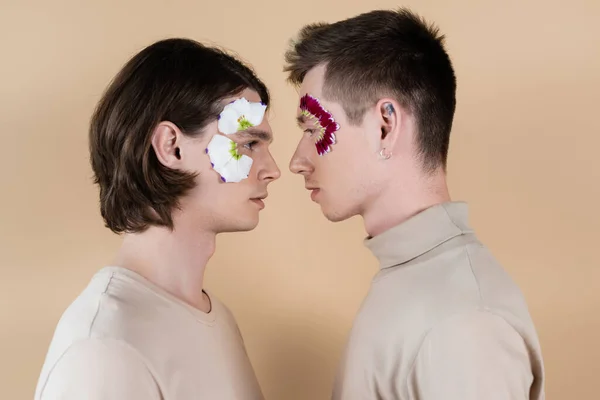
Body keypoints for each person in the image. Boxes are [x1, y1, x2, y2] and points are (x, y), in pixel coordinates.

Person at [285, 8, 545, 400]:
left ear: (385, 125)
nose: (296, 161)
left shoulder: (464, 322)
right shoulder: (417, 283)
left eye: (314, 128)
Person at [34, 38, 280, 400]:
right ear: (171, 146)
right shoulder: (104, 348)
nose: (272, 169)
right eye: (248, 144)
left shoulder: (218, 320)